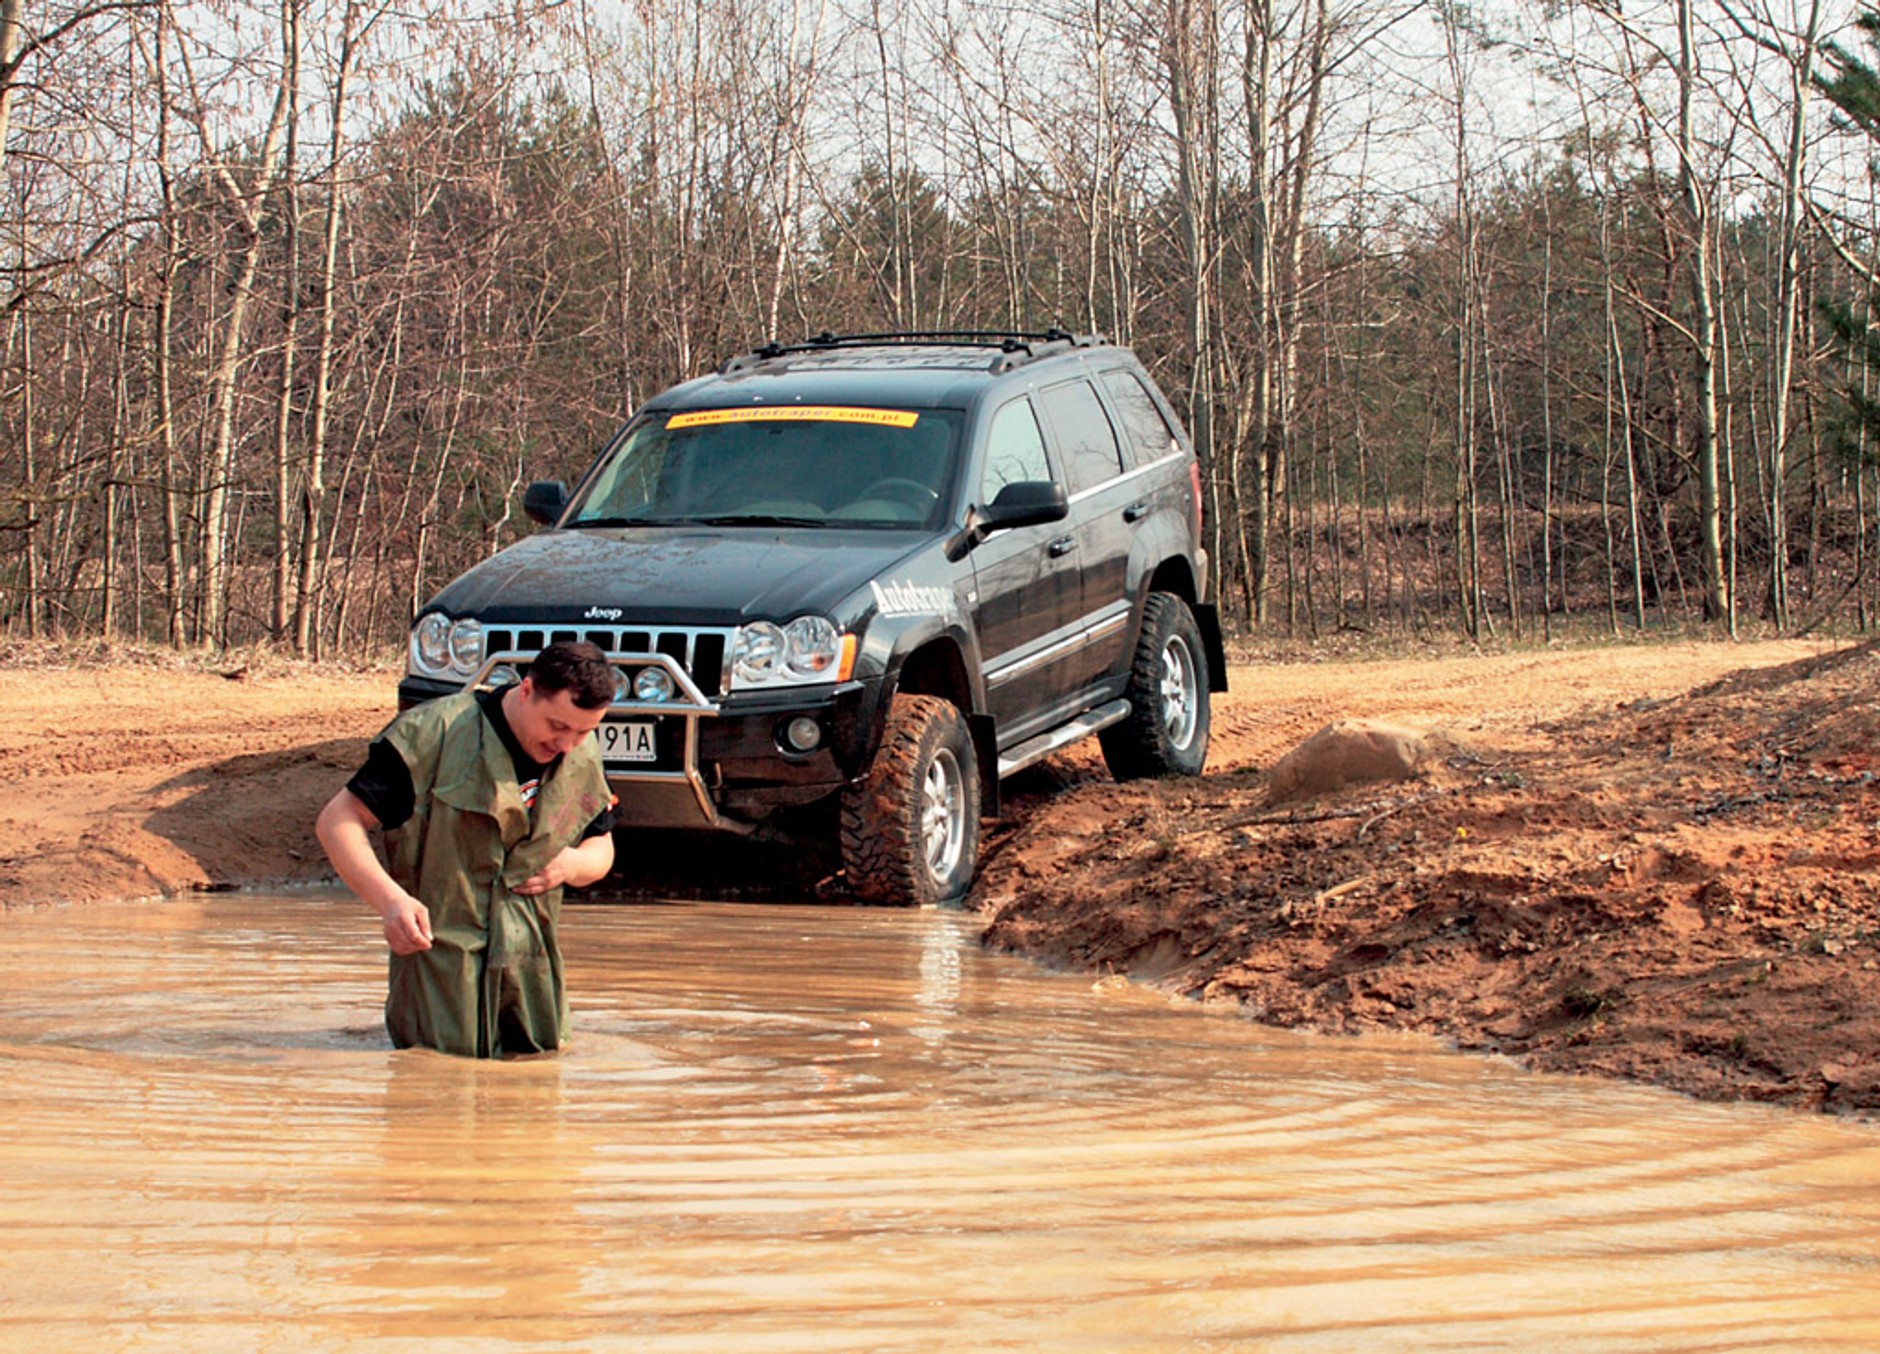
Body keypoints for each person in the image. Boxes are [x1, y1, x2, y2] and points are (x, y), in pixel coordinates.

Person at [316, 640, 618, 1058]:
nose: (566, 744)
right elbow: (337, 821)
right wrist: (390, 902)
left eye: (583, 732)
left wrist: (574, 864)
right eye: (557, 726)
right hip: (439, 965)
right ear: (526, 690)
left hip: (533, 971)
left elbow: (602, 845)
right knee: (434, 1074)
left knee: (541, 1078)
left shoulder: (581, 753)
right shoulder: (433, 734)